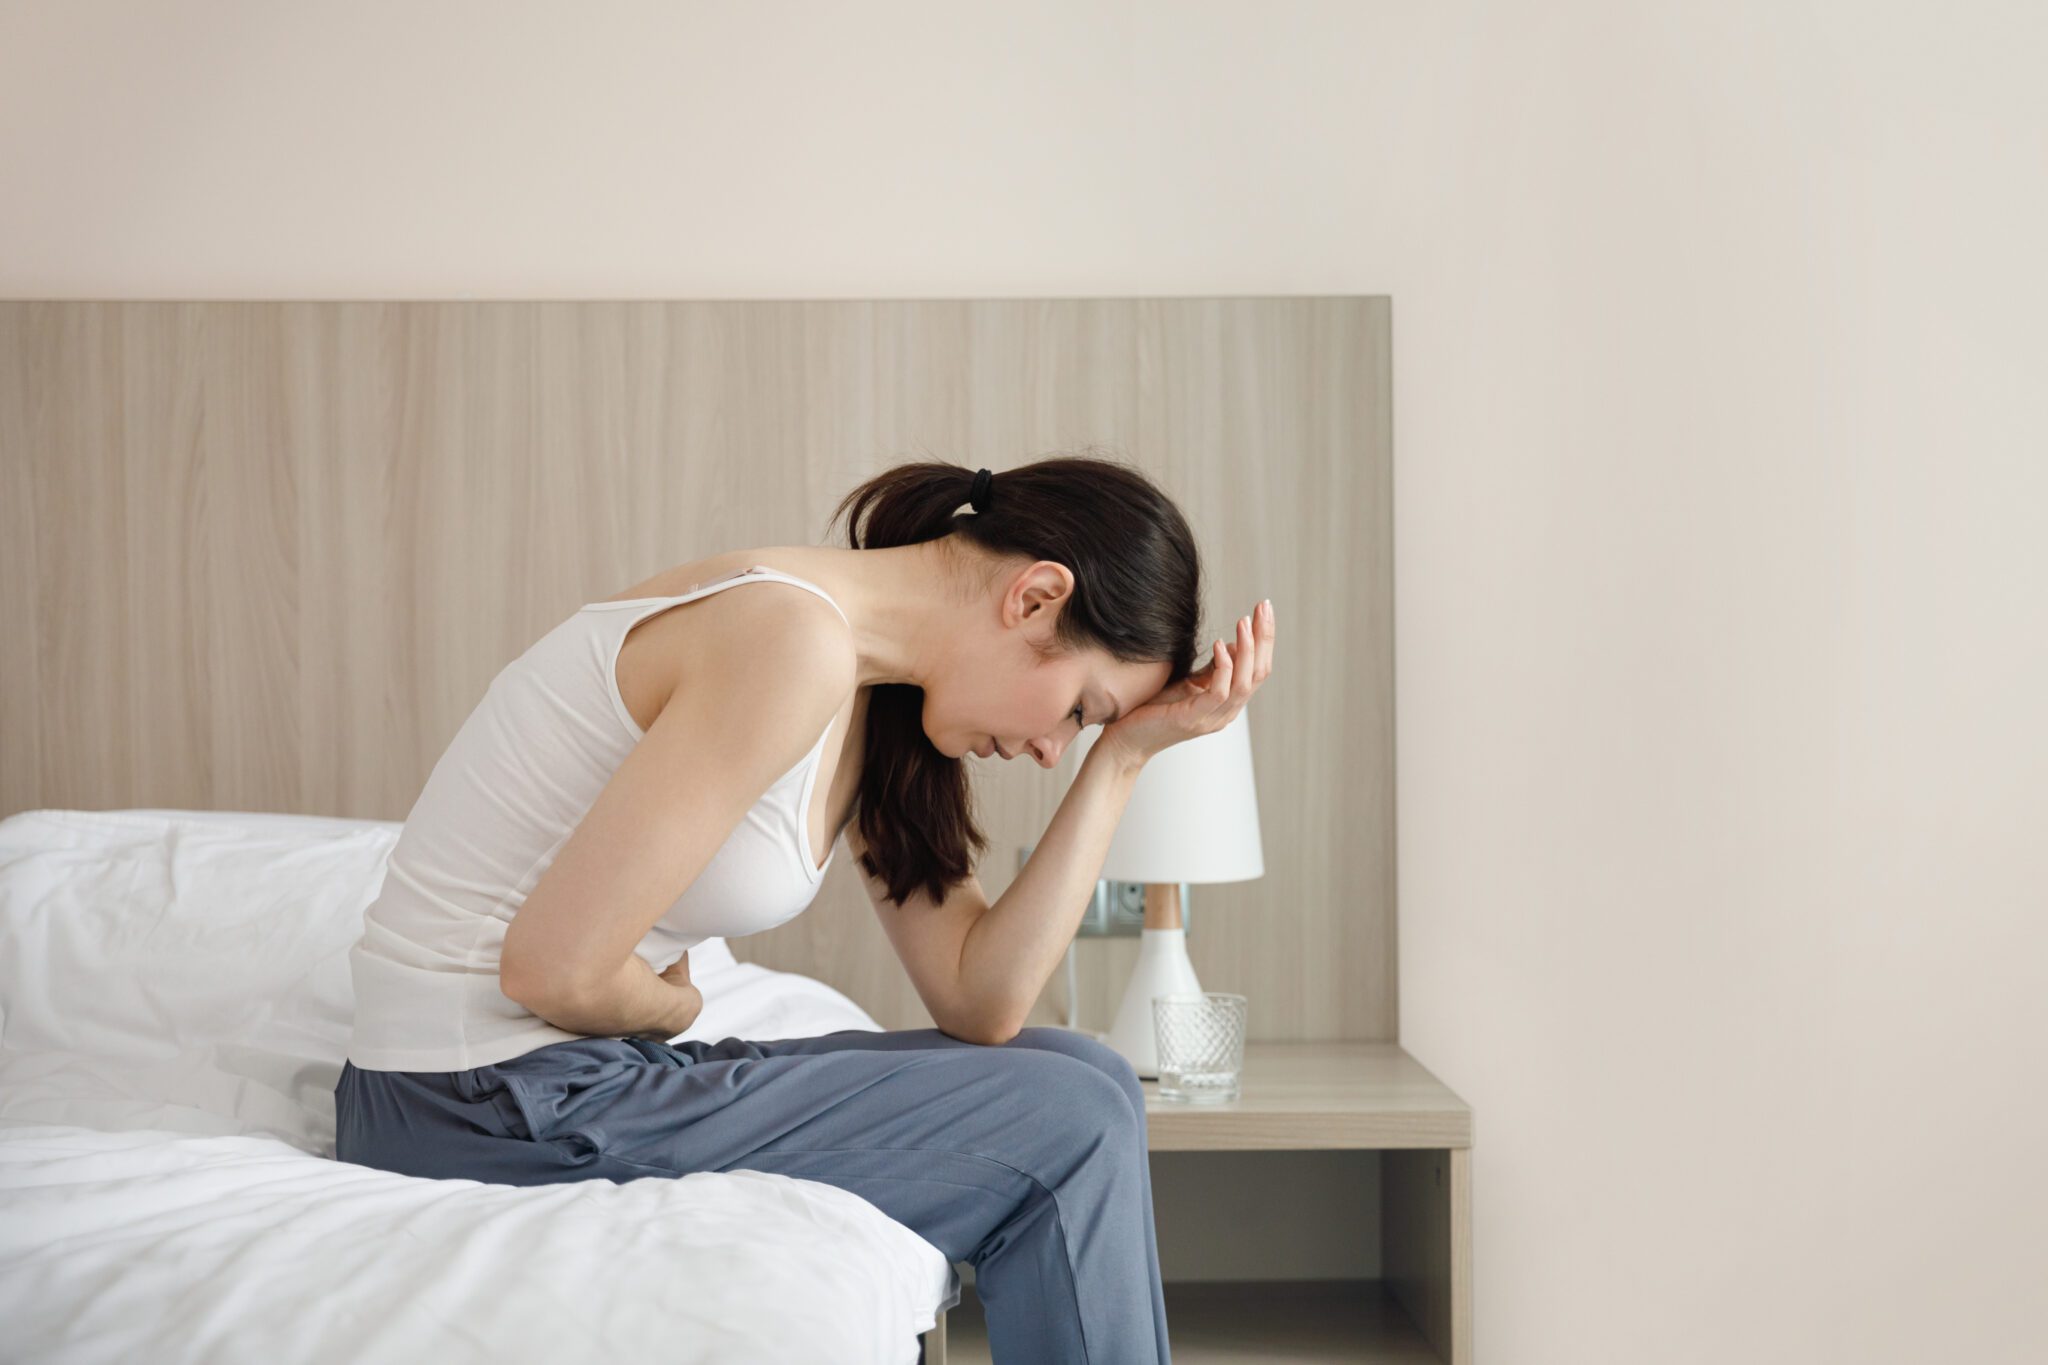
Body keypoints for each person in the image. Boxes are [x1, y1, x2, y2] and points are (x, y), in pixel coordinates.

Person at [333, 452, 1277, 1364]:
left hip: (533, 1081)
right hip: (471, 1098)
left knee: (1091, 1074)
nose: (1050, 751)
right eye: (1080, 711)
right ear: (1034, 597)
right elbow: (554, 971)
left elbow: (981, 1001)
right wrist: (673, 1006)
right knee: (1074, 1116)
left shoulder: (862, 686)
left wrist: (1122, 760)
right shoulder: (788, 639)